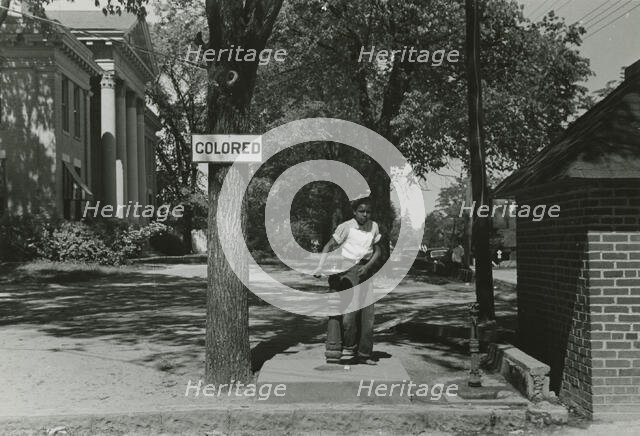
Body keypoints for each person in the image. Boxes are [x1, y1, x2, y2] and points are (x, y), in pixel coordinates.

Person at [312, 197, 382, 365]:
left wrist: (368, 266)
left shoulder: (374, 227)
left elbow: (378, 251)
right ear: (354, 212)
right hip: (346, 271)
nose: (365, 215)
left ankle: (364, 354)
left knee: (367, 316)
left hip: (365, 270)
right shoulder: (346, 226)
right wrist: (319, 267)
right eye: (361, 211)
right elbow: (328, 246)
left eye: (368, 212)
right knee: (348, 318)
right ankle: (344, 346)